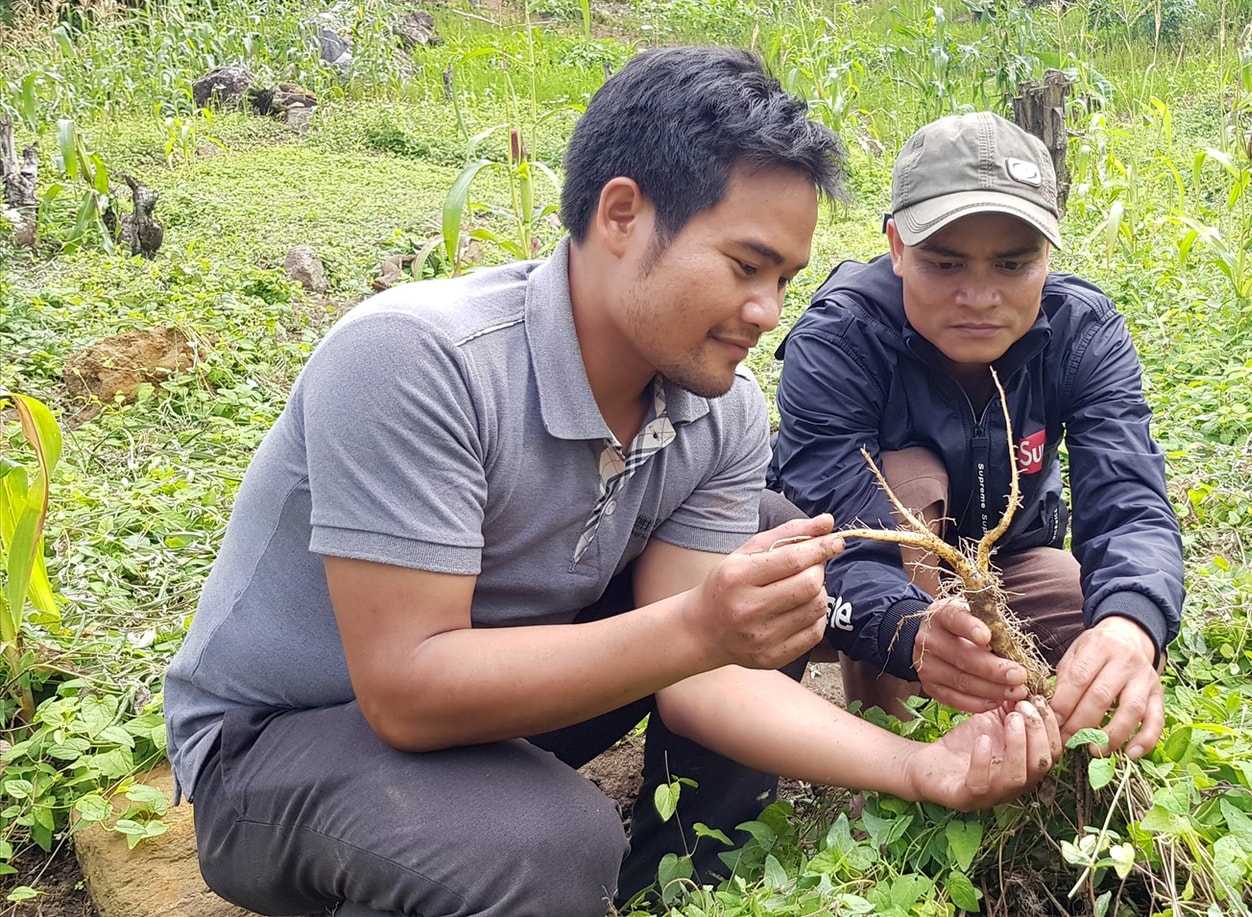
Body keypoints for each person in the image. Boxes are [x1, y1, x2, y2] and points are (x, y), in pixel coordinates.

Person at [161, 48, 1061, 917]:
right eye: (746, 266)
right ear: (622, 214)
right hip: (282, 744)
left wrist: (921, 765)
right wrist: (702, 625)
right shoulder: (416, 361)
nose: (768, 312)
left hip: (504, 698)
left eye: (784, 278)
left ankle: (684, 877)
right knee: (544, 843)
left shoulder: (722, 408)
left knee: (771, 544)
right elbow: (406, 688)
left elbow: (702, 676)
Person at [769, 111, 1185, 762]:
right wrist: (912, 634)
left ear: (1047, 255)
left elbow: (1131, 500)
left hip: (1008, 565)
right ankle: (897, 751)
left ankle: (1045, 756)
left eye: (1013, 264)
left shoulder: (1082, 332)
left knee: (1098, 626)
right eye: (945, 263)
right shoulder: (841, 338)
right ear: (897, 246)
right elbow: (838, 532)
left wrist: (1132, 624)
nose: (980, 295)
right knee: (908, 481)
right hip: (853, 580)